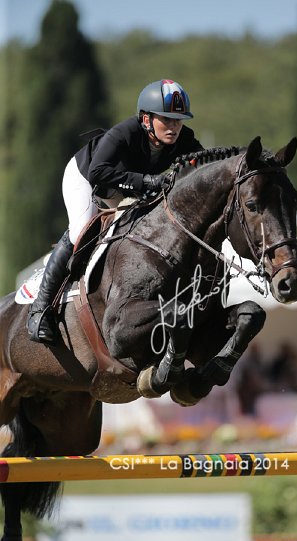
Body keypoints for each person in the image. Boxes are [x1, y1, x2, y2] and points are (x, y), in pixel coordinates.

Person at [27, 79, 203, 346]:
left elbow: (207, 162)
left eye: (178, 120)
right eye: (166, 119)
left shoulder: (183, 139)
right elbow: (98, 172)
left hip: (122, 186)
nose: (174, 127)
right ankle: (39, 310)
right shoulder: (125, 133)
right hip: (86, 177)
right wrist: (147, 181)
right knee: (80, 230)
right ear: (146, 119)